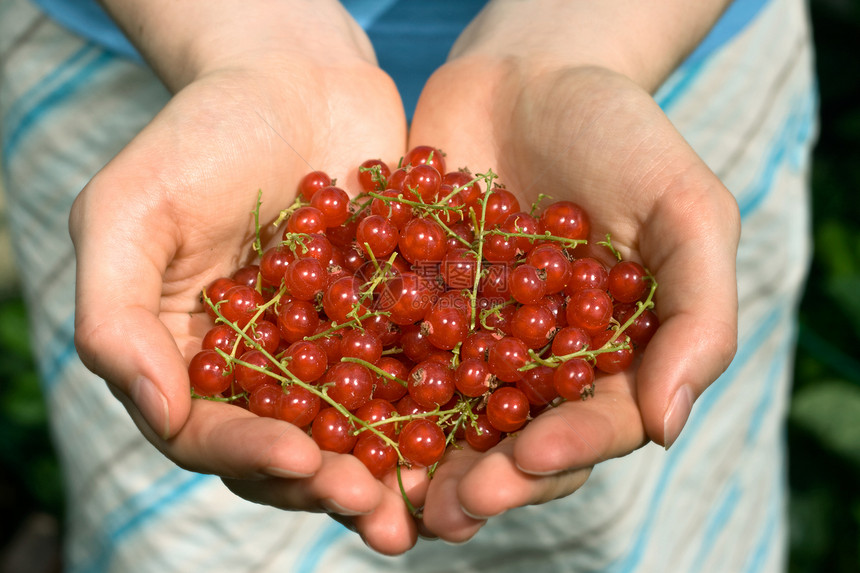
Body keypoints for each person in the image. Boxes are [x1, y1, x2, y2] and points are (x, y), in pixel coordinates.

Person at [0, 0, 817, 570]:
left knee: (635, 537)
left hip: (660, 39)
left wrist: (579, 39)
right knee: (197, 543)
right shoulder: (351, 277)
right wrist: (243, 35)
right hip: (139, 49)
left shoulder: (492, 277)